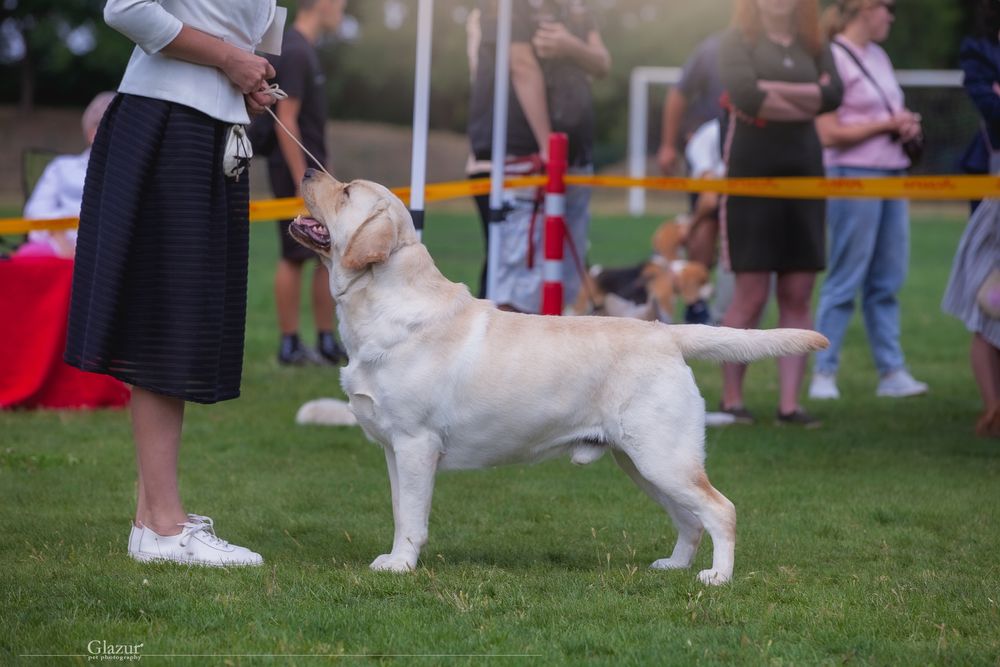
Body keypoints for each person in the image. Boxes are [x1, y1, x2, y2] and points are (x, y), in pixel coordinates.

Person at [64, 0, 281, 565]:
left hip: (211, 123)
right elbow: (126, 7)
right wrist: (232, 59)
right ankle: (163, 526)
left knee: (184, 318)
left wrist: (248, 69)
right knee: (167, 318)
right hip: (167, 125)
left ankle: (150, 520)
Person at [717, 0, 843, 426]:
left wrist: (776, 93)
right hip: (752, 177)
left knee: (797, 293)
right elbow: (748, 98)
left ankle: (789, 406)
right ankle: (732, 399)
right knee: (750, 296)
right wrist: (805, 98)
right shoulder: (737, 40)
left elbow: (833, 95)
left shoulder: (815, 43)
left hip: (806, 174)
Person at [808, 0, 927, 401]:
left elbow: (883, 114)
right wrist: (887, 124)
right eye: (887, 7)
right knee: (845, 278)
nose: (891, 15)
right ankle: (823, 372)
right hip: (853, 177)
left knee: (887, 280)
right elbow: (827, 132)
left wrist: (904, 121)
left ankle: (891, 372)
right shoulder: (832, 55)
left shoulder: (879, 55)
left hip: (892, 175)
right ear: (863, 8)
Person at [467, 0, 610, 312]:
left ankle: (556, 358)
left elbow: (603, 62)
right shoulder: (505, 6)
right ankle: (506, 359)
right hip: (525, 157)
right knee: (518, 286)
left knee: (568, 281)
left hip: (572, 157)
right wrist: (549, 149)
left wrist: (570, 46)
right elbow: (522, 66)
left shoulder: (579, 7)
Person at [267, 0, 346, 366]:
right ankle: (290, 343)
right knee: (295, 255)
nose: (343, 9)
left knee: (323, 251)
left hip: (314, 171)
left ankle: (326, 340)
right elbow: (286, 119)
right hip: (295, 171)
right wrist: (304, 179)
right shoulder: (295, 49)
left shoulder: (306, 50)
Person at [942, 0, 1000, 438]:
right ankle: (992, 409)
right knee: (988, 303)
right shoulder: (979, 51)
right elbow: (992, 111)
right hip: (992, 195)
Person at [17, 92, 116, 259]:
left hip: (109, 254)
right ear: (93, 133)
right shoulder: (62, 168)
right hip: (59, 249)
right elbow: (35, 211)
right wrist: (59, 237)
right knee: (26, 258)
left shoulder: (138, 174)